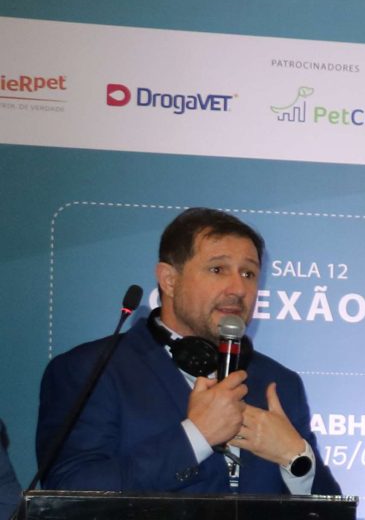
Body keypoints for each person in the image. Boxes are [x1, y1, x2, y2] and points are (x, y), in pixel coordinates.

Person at [34, 209, 337, 497]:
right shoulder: (93, 370)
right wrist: (196, 436)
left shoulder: (279, 383)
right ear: (169, 280)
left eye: (248, 273)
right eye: (217, 269)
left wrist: (295, 457)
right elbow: (70, 490)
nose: (238, 288)